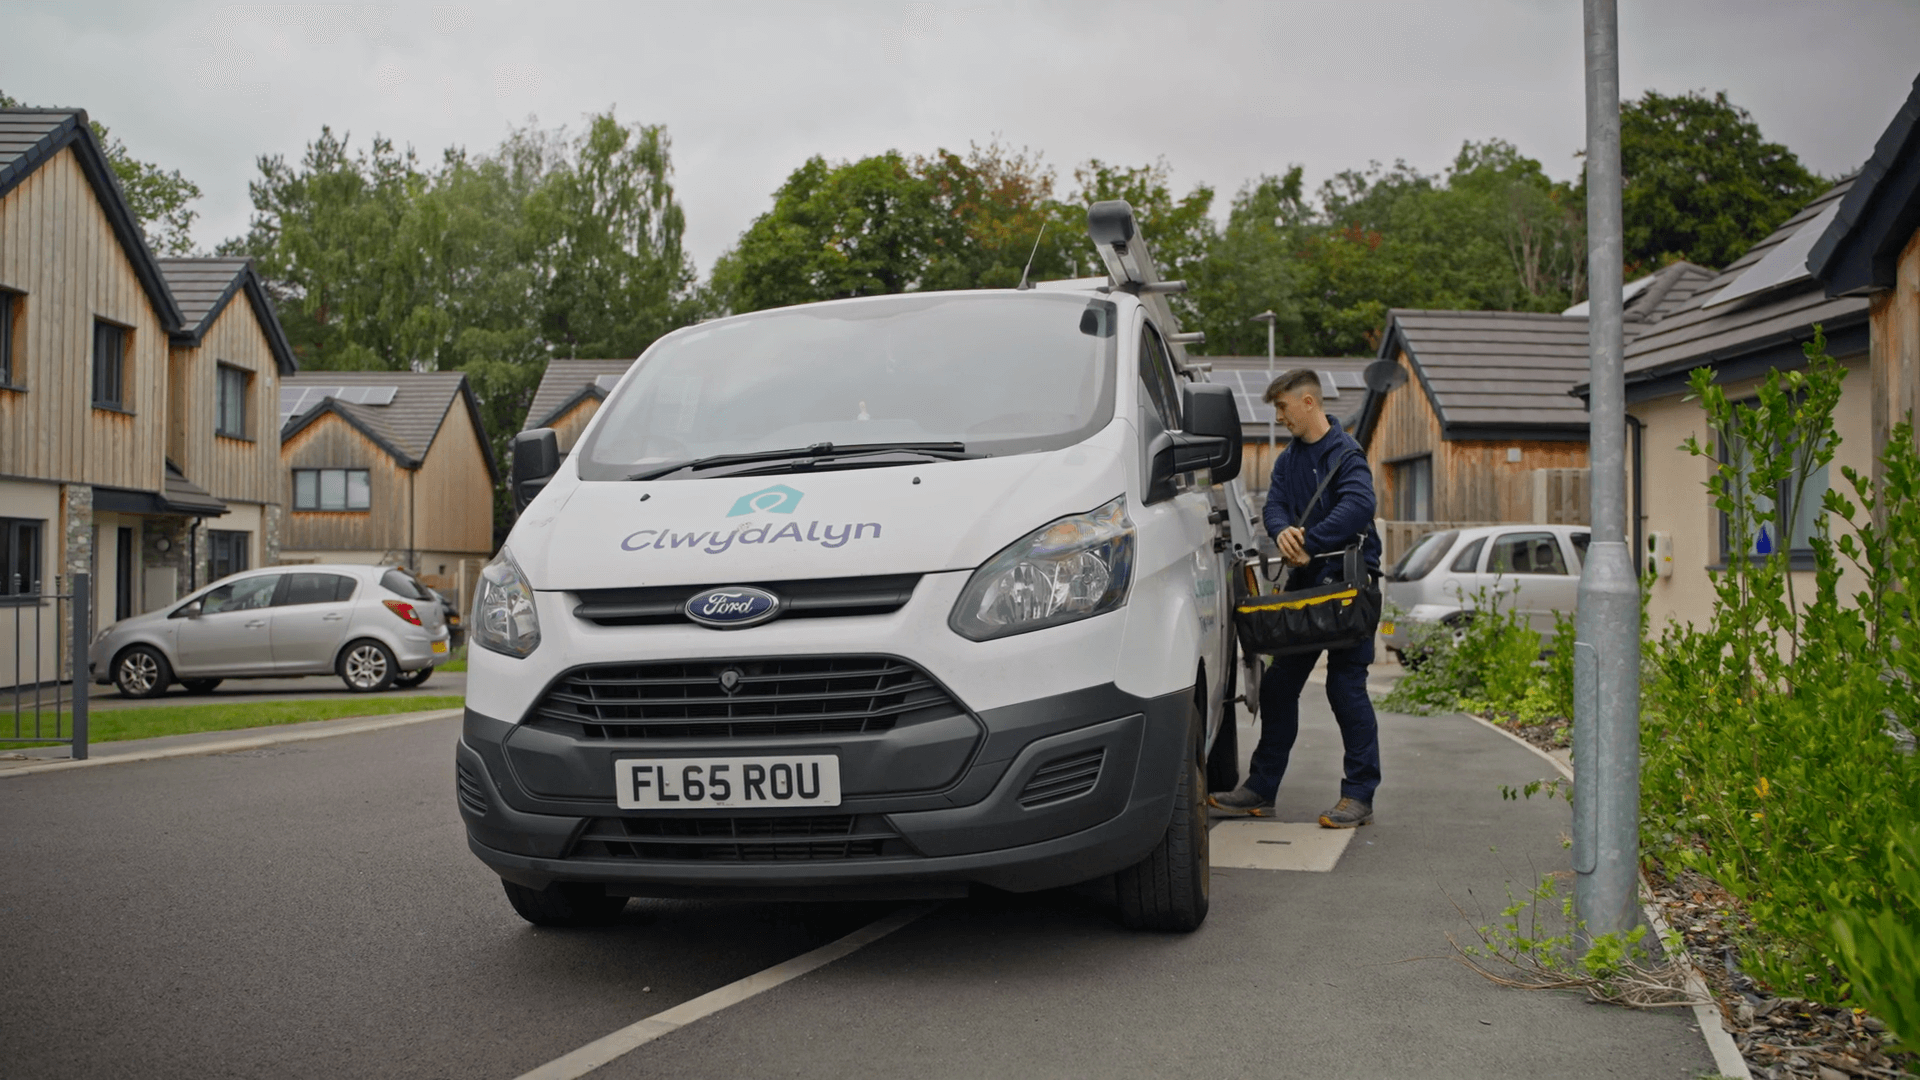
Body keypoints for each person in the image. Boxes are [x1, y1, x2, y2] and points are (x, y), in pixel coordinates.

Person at [1210, 369, 1383, 828]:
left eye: (1283, 407)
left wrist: (1311, 540)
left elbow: (1359, 505)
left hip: (1348, 590)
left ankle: (1359, 796)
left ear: (1308, 403)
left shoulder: (1347, 455)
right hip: (1307, 590)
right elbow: (1274, 505)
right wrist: (1282, 531)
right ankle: (1260, 791)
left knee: (1345, 689)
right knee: (1280, 686)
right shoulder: (1287, 460)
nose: (1280, 416)